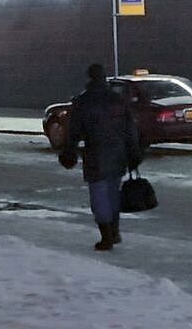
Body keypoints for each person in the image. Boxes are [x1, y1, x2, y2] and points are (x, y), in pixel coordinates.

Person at [58, 63, 142, 252]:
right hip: (118, 153)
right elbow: (130, 129)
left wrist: (69, 150)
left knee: (99, 195)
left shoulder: (84, 101)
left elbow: (74, 131)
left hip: (96, 153)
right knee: (113, 193)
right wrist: (134, 152)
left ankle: (106, 236)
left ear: (89, 77)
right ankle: (114, 230)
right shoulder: (117, 99)